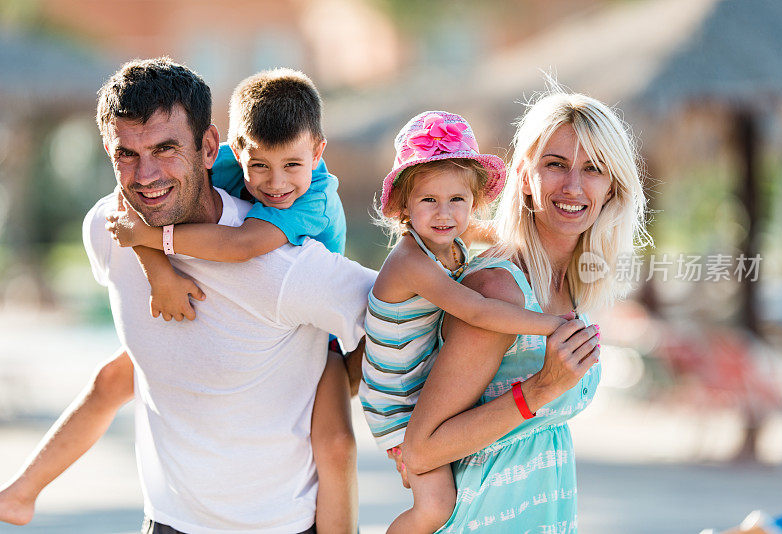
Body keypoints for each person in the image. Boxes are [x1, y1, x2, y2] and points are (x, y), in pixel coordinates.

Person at [1, 57, 375, 534]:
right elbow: (127, 210)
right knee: (116, 376)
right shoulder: (108, 229)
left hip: (279, 525)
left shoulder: (287, 262)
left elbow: (393, 310)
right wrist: (156, 267)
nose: (147, 174)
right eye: (127, 155)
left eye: (165, 148)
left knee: (337, 441)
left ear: (208, 147)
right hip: (166, 522)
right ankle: (19, 495)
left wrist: (349, 375)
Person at [400, 89, 650, 533]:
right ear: (524, 173)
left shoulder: (572, 289)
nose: (573, 186)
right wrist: (537, 391)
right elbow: (421, 450)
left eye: (594, 168)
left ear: (613, 185)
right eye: (556, 164)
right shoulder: (499, 290)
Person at [358, 110, 574, 534]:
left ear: (474, 201)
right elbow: (476, 310)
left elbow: (506, 236)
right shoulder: (410, 261)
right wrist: (551, 325)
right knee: (436, 506)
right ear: (404, 205)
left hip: (421, 384)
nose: (444, 213)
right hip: (398, 401)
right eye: (428, 201)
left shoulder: (454, 238)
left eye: (457, 200)